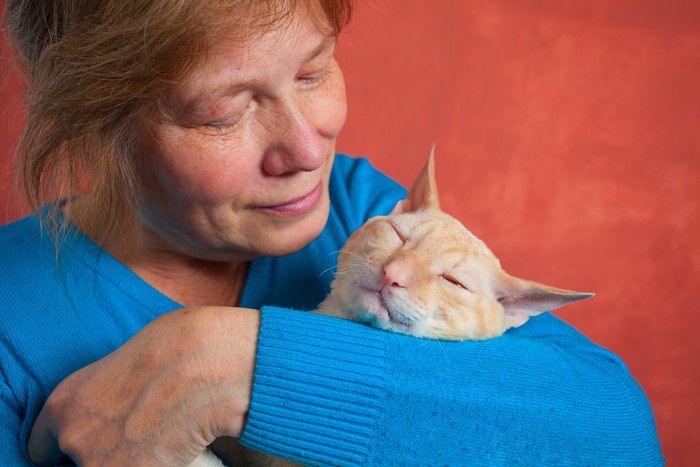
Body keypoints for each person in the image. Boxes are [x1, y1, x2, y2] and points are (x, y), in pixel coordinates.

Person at [0, 0, 663, 465]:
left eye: (315, 70)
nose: (307, 149)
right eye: (222, 114)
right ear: (92, 127)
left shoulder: (361, 215)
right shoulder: (14, 319)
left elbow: (621, 435)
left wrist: (235, 365)